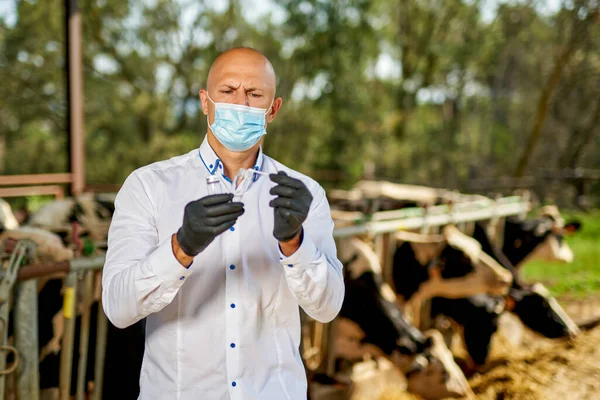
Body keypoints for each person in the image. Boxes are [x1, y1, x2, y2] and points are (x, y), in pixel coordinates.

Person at [101, 47, 345, 400]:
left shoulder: (304, 194)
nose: (240, 104)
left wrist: (295, 242)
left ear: (272, 109)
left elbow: (328, 307)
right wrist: (180, 247)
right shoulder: (148, 186)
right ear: (205, 101)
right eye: (228, 92)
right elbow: (118, 308)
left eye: (254, 94)